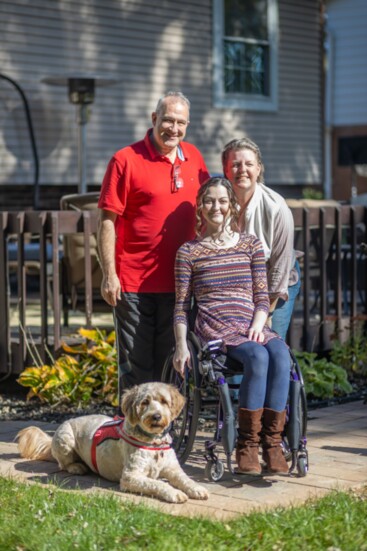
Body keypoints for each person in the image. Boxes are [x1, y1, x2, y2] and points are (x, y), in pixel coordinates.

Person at [173, 177, 290, 475]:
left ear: (232, 206)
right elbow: (182, 306)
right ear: (200, 208)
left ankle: (272, 444)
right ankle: (247, 445)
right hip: (215, 325)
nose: (216, 207)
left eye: (223, 201)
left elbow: (262, 297)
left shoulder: (250, 245)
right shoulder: (188, 252)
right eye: (209, 201)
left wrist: (258, 323)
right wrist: (181, 345)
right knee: (258, 356)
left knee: (280, 354)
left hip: (251, 321)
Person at [97, 91, 210, 393]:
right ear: (154, 119)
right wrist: (109, 275)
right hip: (133, 284)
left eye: (181, 122)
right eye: (168, 120)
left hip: (181, 284)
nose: (174, 128)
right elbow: (107, 222)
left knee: (173, 364)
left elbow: (213, 209)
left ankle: (164, 436)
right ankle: (132, 435)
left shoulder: (195, 159)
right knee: (136, 366)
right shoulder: (125, 160)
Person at [222, 138, 301, 340]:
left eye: (249, 164)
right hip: (237, 284)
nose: (242, 170)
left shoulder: (276, 208)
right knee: (236, 345)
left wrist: (265, 314)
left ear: (259, 169)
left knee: (267, 340)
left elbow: (279, 269)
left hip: (276, 281)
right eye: (235, 164)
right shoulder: (217, 204)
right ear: (226, 169)